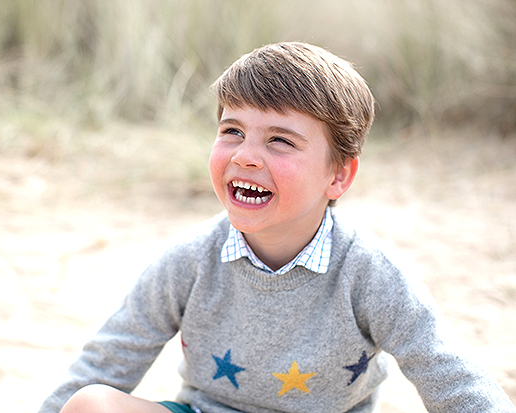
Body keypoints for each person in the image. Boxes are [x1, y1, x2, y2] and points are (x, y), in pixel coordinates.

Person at [38, 42, 516, 413]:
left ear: (338, 175)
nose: (245, 154)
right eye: (232, 131)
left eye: (280, 141)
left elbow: (451, 375)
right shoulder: (190, 259)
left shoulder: (370, 274)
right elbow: (107, 359)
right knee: (89, 403)